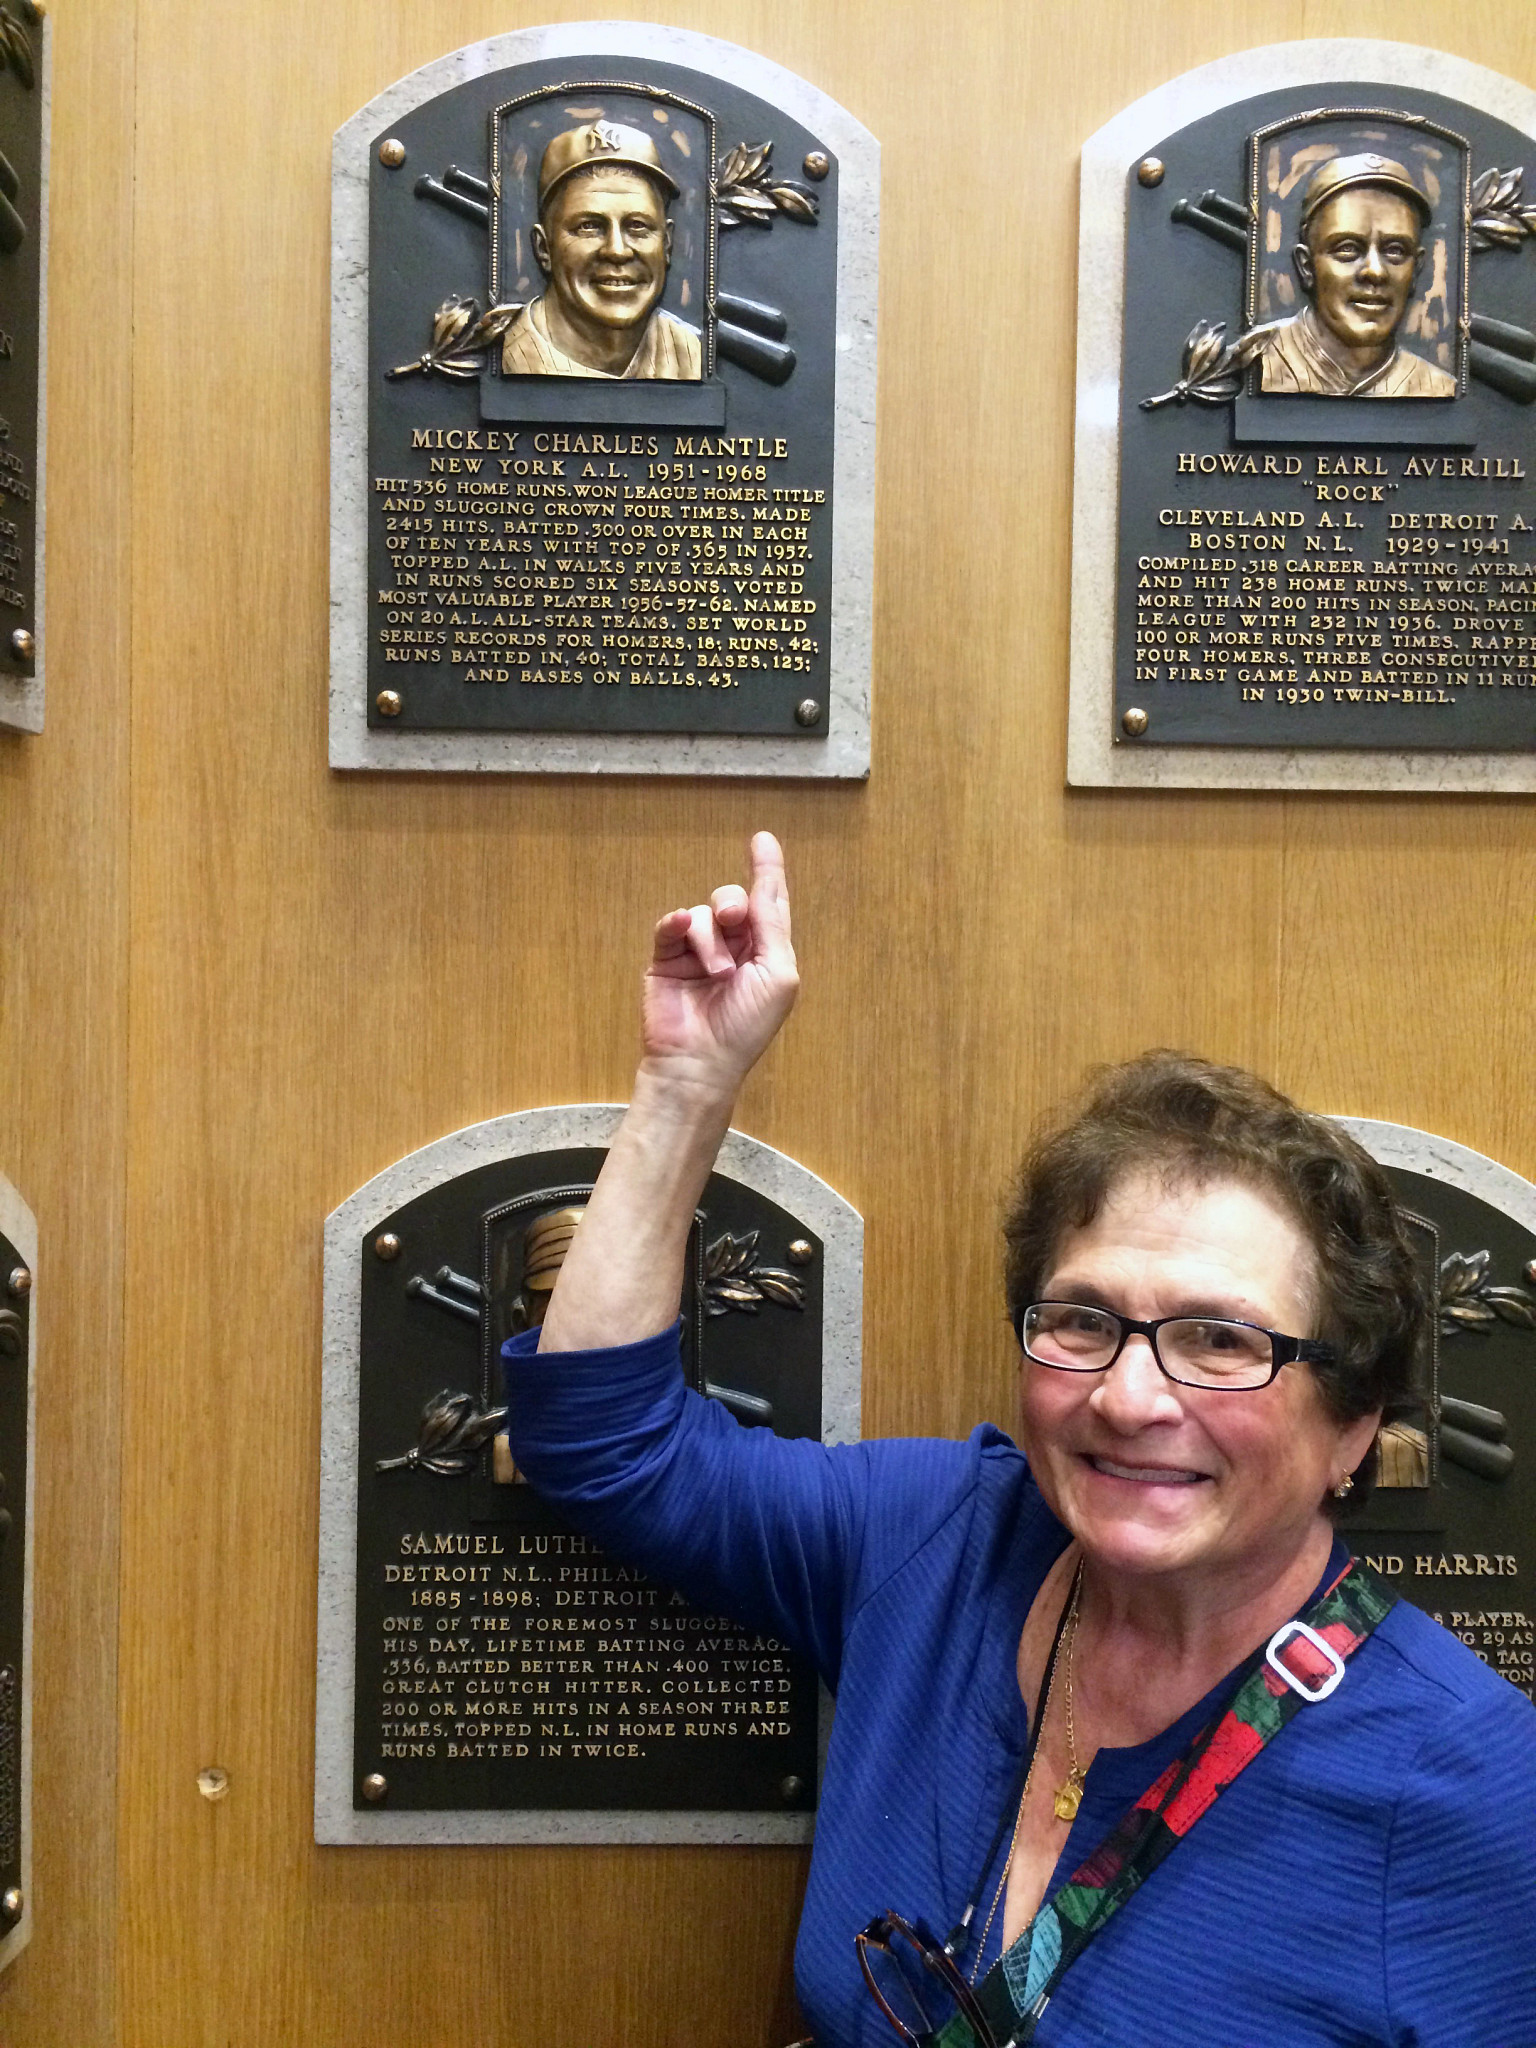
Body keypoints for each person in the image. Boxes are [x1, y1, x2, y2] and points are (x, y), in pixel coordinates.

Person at [503, 834, 1536, 2045]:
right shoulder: (936, 1543)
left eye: (1220, 1340)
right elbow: (604, 1443)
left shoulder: (1475, 1794)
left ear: (1353, 1425)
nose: (1132, 1396)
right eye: (1086, 1319)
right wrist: (687, 1087)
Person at [499, 120, 701, 381]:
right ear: (543, 248)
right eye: (589, 226)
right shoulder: (509, 357)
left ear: (667, 244)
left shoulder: (689, 354)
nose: (617, 251)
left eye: (638, 226)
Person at [1255, 153, 1456, 398]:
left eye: (1395, 251)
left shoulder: (1436, 384)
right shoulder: (1255, 360)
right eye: (1347, 249)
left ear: (1416, 269)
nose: (1375, 271)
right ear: (1306, 266)